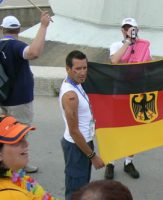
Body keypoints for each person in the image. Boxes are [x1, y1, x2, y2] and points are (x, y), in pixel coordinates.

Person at [0, 12, 51, 173]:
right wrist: (43, 26)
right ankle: (18, 164)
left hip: (3, 97)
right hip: (20, 100)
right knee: (19, 134)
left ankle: (5, 161)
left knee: (3, 133)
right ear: (19, 29)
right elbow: (33, 52)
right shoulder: (15, 46)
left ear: (3, 29)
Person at [105, 17, 152, 180]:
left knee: (133, 130)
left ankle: (128, 161)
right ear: (122, 30)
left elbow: (149, 66)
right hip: (119, 92)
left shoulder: (144, 46)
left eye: (131, 28)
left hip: (137, 94)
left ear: (137, 30)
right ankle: (110, 162)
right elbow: (114, 60)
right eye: (126, 28)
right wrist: (128, 42)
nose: (128, 30)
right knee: (116, 129)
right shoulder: (117, 45)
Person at [59, 50, 105, 200]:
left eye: (85, 67)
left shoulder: (76, 83)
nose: (82, 72)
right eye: (77, 69)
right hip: (77, 146)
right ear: (68, 69)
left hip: (83, 143)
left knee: (83, 186)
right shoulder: (70, 96)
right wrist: (92, 156)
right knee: (76, 191)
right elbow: (74, 131)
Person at [0, 115, 58, 199]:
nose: (26, 143)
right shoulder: (11, 196)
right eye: (17, 140)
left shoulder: (13, 173)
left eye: (23, 137)